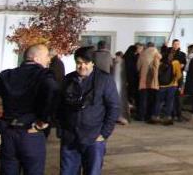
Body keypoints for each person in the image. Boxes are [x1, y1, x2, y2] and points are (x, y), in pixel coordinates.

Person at [0, 43, 58, 175]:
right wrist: (44, 121)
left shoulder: (7, 76)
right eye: (47, 56)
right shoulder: (43, 76)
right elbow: (53, 94)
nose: (49, 59)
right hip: (31, 133)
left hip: (8, 134)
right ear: (36, 58)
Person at [55, 46, 120, 175]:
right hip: (70, 137)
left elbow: (113, 107)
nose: (82, 66)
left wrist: (104, 133)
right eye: (79, 63)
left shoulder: (104, 79)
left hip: (94, 137)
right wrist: (61, 129)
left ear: (92, 63)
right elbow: (59, 106)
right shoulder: (68, 79)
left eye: (86, 63)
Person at [152, 48, 181, 124]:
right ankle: (167, 117)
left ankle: (156, 116)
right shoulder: (176, 62)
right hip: (172, 85)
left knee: (159, 102)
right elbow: (179, 75)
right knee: (169, 102)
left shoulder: (161, 62)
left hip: (161, 85)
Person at [136, 42, 160, 122]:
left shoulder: (142, 54)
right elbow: (158, 67)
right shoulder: (157, 55)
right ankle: (150, 116)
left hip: (143, 81)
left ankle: (141, 116)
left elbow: (138, 67)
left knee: (143, 99)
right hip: (153, 81)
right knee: (152, 100)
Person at [168, 39, 187, 121]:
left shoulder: (182, 54)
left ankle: (179, 115)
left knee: (178, 98)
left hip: (178, 77)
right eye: (175, 44)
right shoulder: (169, 53)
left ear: (179, 45)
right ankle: (171, 114)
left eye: (178, 44)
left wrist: (178, 66)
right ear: (172, 44)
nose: (176, 45)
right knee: (170, 97)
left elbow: (183, 65)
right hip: (169, 77)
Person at [111, 51, 129, 124]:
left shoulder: (113, 61)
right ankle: (120, 116)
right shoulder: (123, 61)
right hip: (121, 85)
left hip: (113, 84)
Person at [123, 43, 142, 108]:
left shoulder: (125, 56)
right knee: (133, 92)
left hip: (126, 77)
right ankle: (132, 105)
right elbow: (135, 68)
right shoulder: (133, 57)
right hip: (133, 78)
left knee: (128, 92)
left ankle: (129, 105)